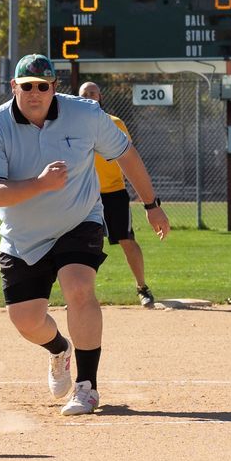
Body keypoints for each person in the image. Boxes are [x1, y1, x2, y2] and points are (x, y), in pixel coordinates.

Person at [0, 56, 170, 417]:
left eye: (42, 86)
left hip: (78, 221)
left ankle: (87, 387)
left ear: (54, 88)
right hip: (23, 236)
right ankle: (59, 349)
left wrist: (151, 204)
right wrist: (41, 184)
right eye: (26, 85)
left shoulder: (86, 115)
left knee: (78, 286)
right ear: (13, 87)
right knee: (26, 321)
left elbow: (126, 154)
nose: (35, 93)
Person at [77, 81, 156, 308]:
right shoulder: (73, 125)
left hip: (113, 192)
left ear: (100, 97)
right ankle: (80, 295)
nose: (90, 96)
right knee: (81, 245)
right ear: (79, 97)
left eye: (93, 93)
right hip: (85, 193)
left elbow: (127, 156)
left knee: (126, 240)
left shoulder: (114, 123)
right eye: (85, 94)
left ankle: (142, 287)